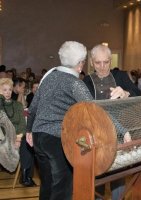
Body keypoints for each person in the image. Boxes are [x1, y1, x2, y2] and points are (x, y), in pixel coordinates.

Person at [26, 41, 93, 200]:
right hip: (56, 139)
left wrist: (29, 130)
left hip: (39, 136)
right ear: (79, 64)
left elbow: (33, 107)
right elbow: (94, 111)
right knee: (62, 188)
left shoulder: (49, 77)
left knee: (47, 184)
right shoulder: (75, 83)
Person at [83, 44, 139, 200]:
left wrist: (126, 93)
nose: (102, 67)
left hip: (119, 132)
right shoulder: (87, 80)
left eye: (106, 62)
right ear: (92, 63)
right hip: (97, 134)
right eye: (98, 63)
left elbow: (138, 93)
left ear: (110, 61)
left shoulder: (119, 76)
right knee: (98, 173)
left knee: (118, 174)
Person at [0, 78, 25, 171]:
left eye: (10, 90)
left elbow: (22, 124)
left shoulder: (18, 105)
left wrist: (18, 139)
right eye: (4, 90)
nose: (8, 92)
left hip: (15, 136)